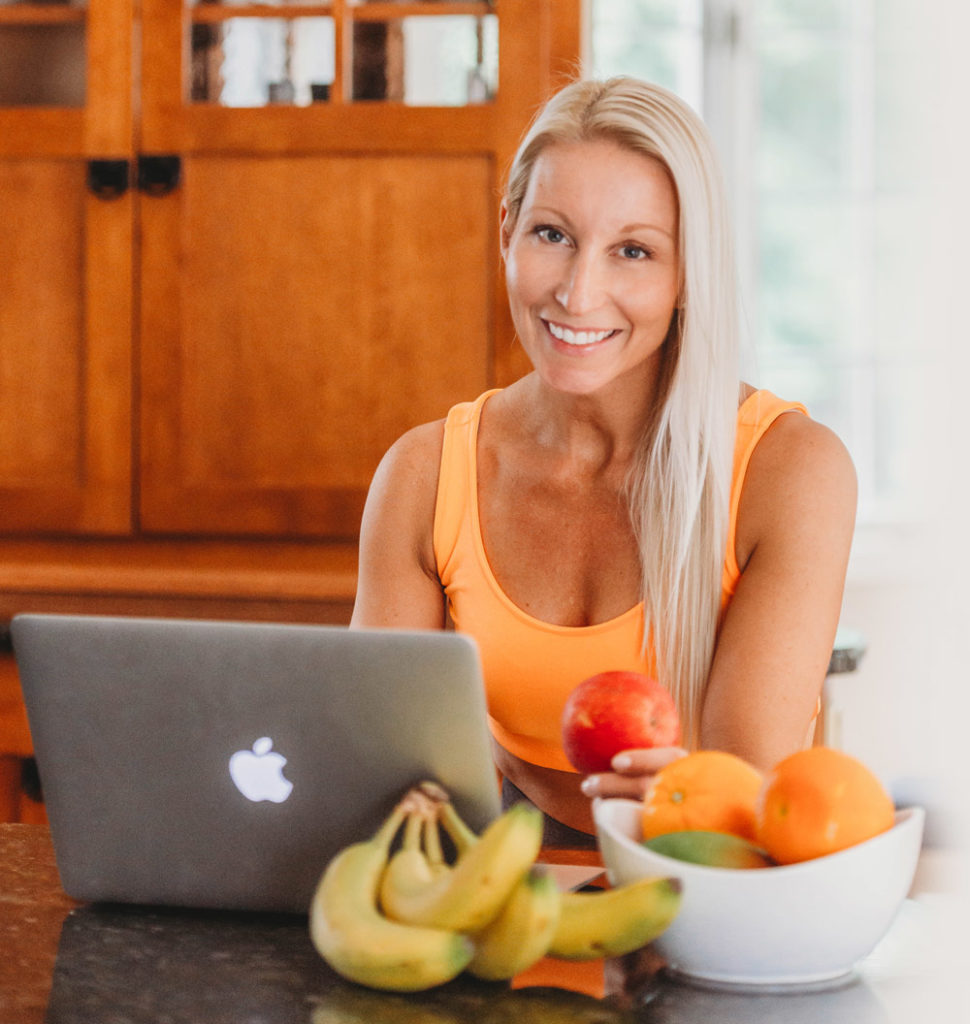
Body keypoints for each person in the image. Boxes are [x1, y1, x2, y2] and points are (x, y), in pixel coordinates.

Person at [350, 76, 856, 847]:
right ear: (507, 232)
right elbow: (372, 764)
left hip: (714, 872)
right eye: (552, 235)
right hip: (501, 870)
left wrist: (688, 788)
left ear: (689, 273)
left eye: (633, 251)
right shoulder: (425, 475)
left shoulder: (790, 472)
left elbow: (746, 786)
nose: (580, 295)